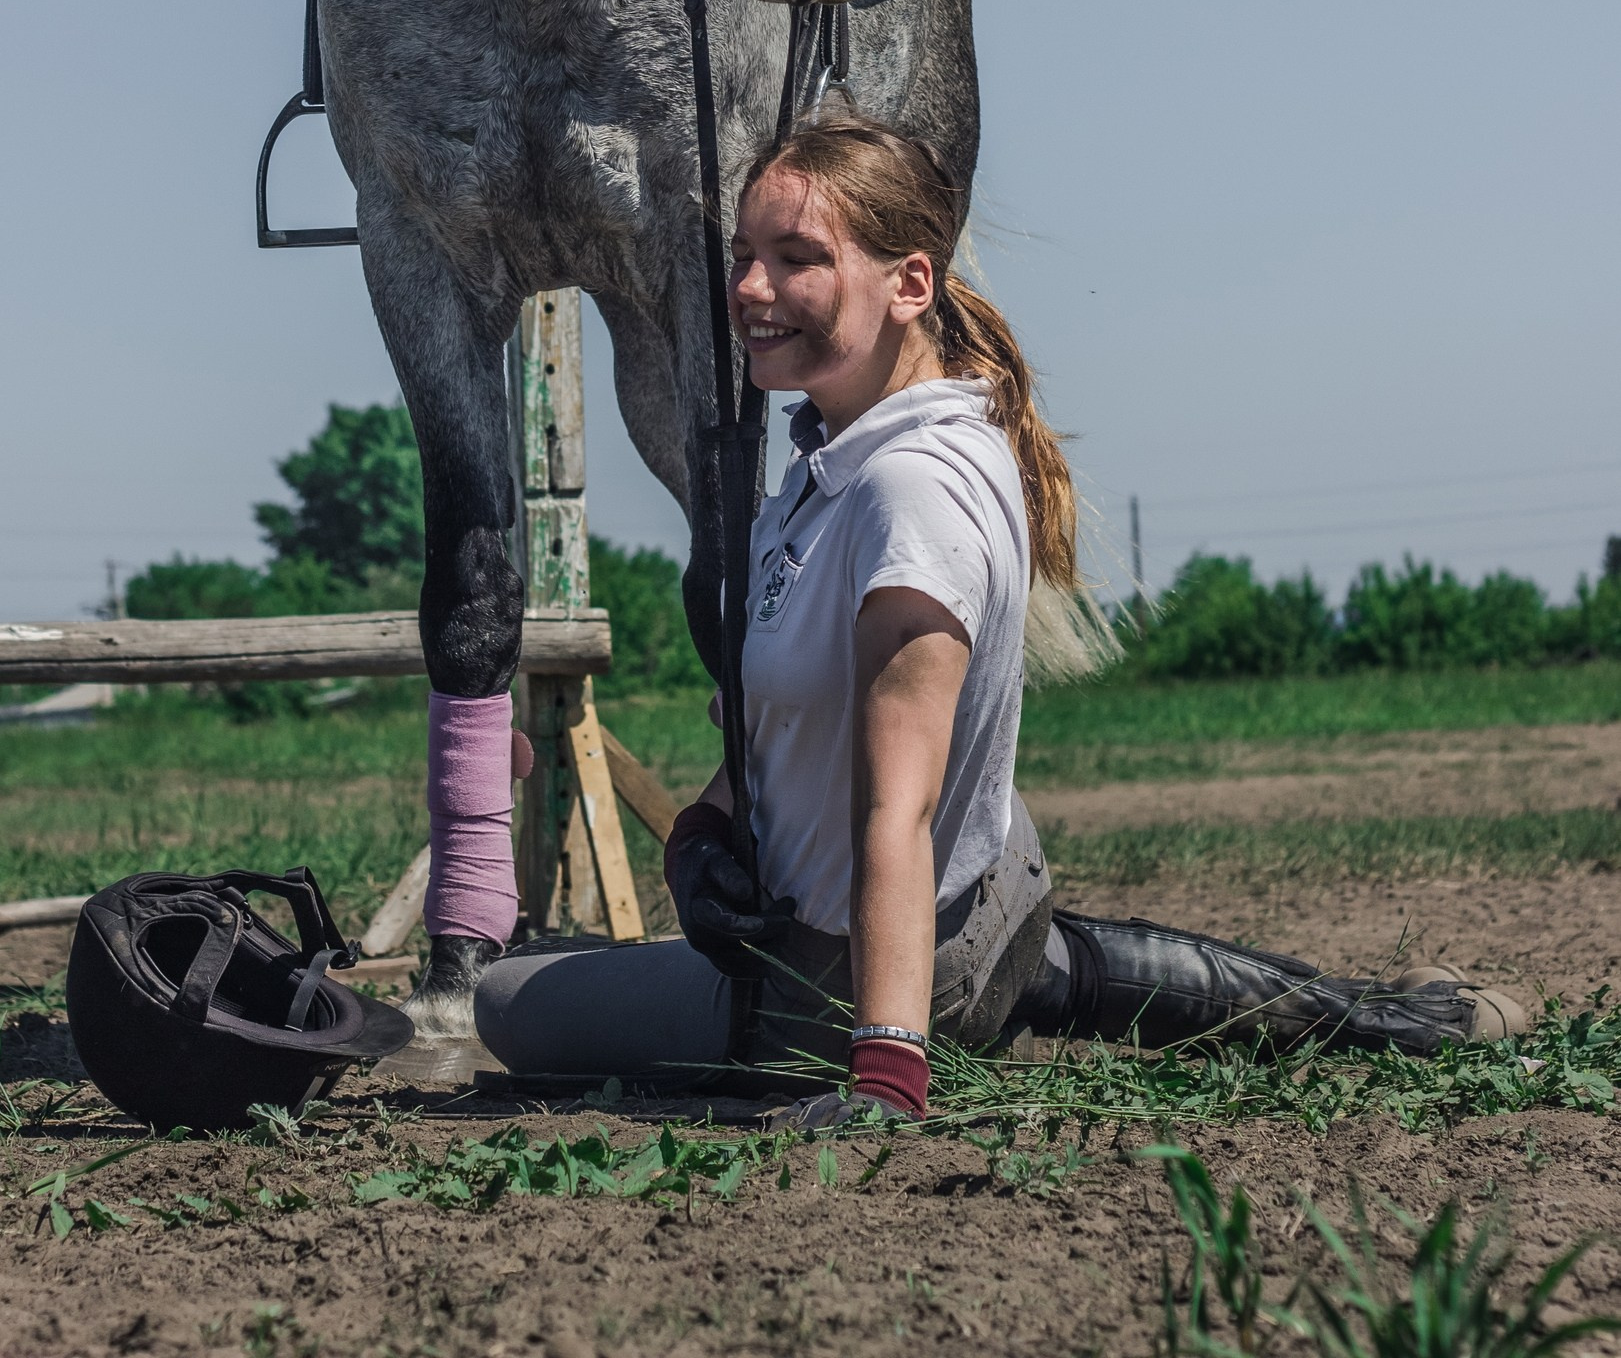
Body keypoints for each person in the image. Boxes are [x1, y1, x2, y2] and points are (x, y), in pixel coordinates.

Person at [471, 119, 1526, 1118]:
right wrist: (700, 838)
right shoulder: (828, 468)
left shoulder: (906, 492)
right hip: (980, 899)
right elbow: (789, 735)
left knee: (507, 1002)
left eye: (798, 258)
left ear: (909, 283)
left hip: (852, 976)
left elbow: (899, 805)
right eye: (745, 254)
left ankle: (951, 1013)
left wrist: (885, 1069)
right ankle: (1393, 1019)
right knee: (586, 969)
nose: (750, 286)